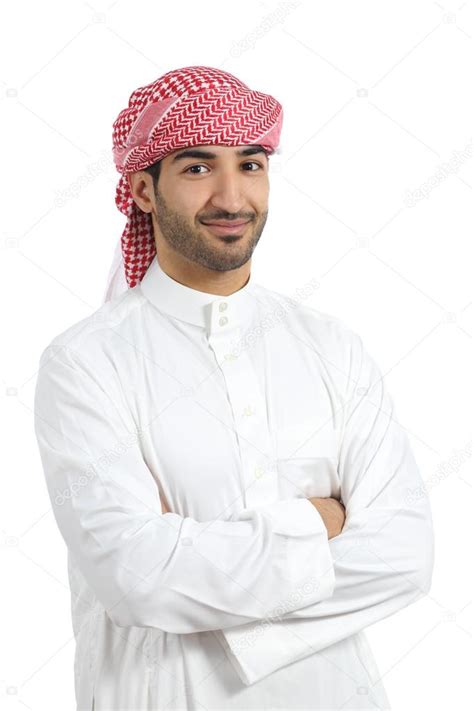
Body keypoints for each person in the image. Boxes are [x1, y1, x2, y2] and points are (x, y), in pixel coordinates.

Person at [34, 65, 434, 710]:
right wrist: (318, 520)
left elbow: (404, 558)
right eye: (197, 168)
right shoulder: (85, 362)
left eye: (251, 165)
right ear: (141, 189)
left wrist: (194, 555)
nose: (231, 197)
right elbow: (135, 578)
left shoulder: (333, 348)